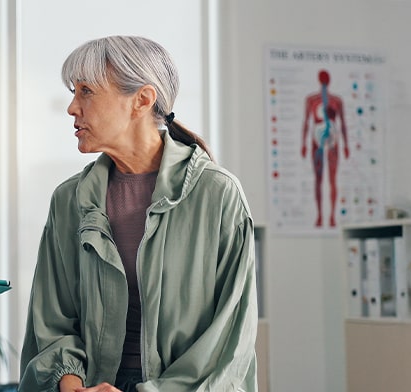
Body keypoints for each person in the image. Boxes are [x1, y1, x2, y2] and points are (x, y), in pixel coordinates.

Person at [19, 36, 258, 392]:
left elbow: (228, 345)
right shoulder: (69, 200)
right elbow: (52, 323)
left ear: (142, 100)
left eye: (86, 91)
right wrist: (73, 388)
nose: (72, 107)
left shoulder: (218, 194)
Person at [300, 69, 349, 228]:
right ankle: (321, 216)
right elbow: (306, 123)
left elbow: (342, 124)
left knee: (331, 179)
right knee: (319, 180)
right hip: (318, 139)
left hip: (332, 140)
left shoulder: (336, 101)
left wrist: (347, 145)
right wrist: (303, 144)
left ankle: (332, 216)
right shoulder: (311, 100)